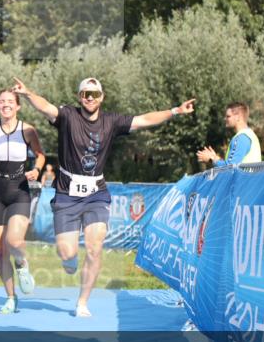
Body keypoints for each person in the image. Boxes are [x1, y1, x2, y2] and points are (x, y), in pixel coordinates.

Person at [13, 76, 194, 317]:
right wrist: (27, 93)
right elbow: (45, 106)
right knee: (67, 254)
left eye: (95, 94)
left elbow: (144, 120)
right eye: (86, 94)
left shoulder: (112, 121)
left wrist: (175, 111)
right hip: (67, 194)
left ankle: (82, 303)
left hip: (96, 194)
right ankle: (69, 261)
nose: (90, 98)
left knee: (94, 247)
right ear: (80, 97)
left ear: (102, 97)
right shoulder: (68, 116)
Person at [0, 89, 46, 313]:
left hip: (19, 190)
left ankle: (22, 264)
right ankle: (11, 297)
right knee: (0, 250)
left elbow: (40, 155)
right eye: (2, 102)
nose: (6, 105)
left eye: (10, 102)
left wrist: (37, 169)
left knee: (13, 241)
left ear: (18, 106)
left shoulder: (27, 130)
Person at [197, 102, 262, 167]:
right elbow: (232, 163)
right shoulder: (249, 135)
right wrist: (216, 158)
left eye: (228, 116)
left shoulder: (242, 138)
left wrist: (211, 160)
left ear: (238, 117)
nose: (225, 119)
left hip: (244, 177)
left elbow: (230, 167)